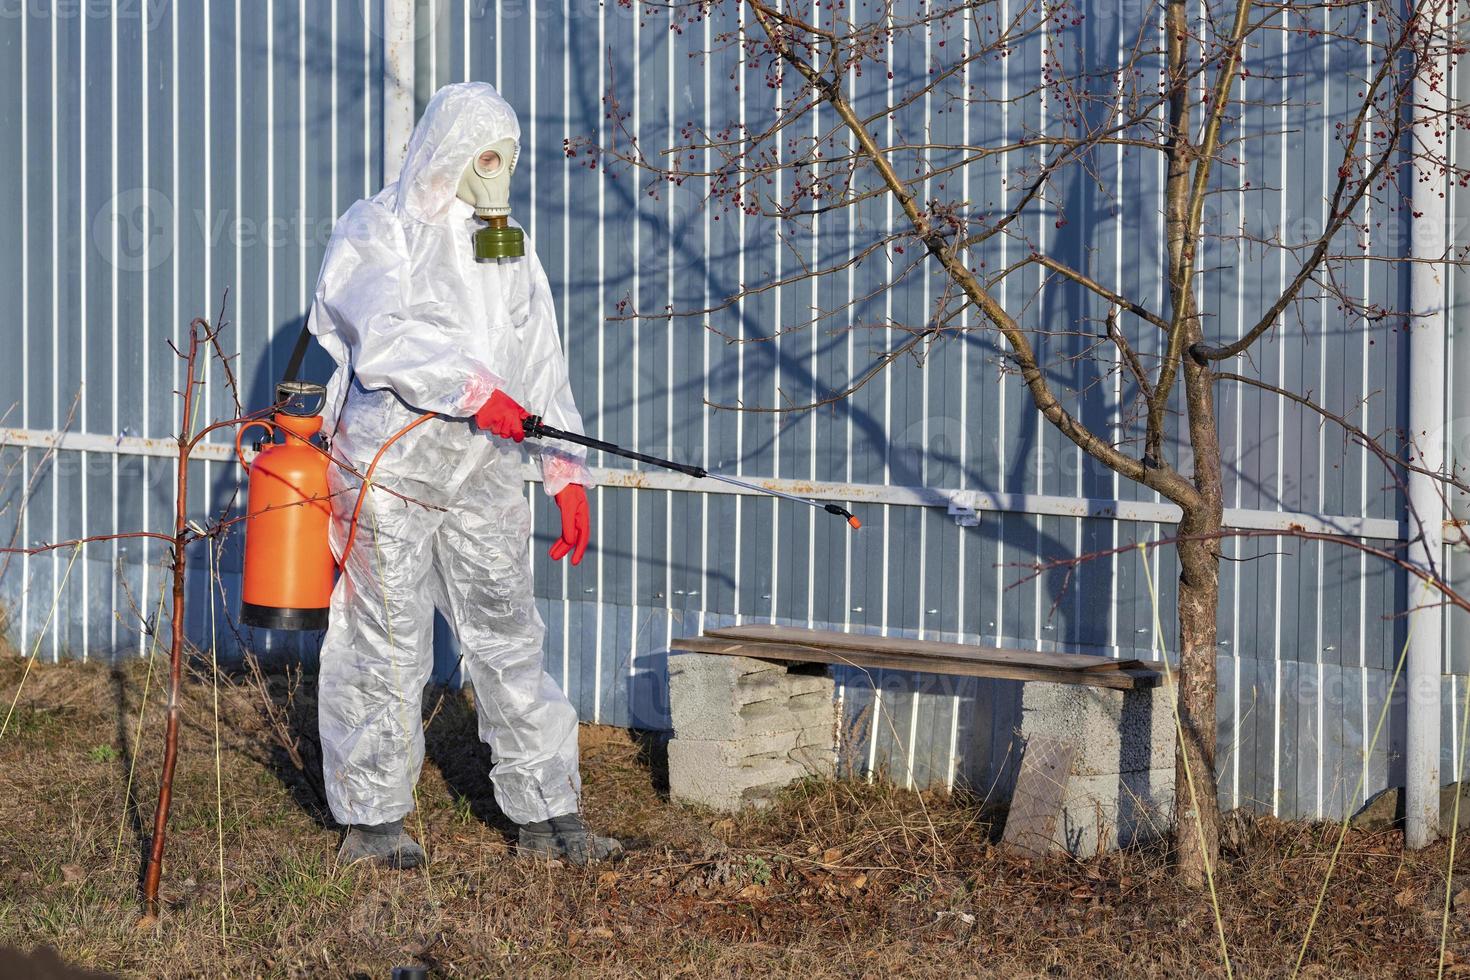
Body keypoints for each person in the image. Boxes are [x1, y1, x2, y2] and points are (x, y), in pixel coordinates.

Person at [307, 81, 619, 868]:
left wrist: (565, 471)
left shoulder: (508, 245)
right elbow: (380, 334)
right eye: (487, 155)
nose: (500, 173)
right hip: (390, 467)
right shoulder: (380, 228)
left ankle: (551, 816)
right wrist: (474, 391)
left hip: (482, 468)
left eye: (510, 158)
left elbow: (541, 359)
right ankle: (373, 823)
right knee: (385, 642)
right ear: (448, 150)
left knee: (511, 637)